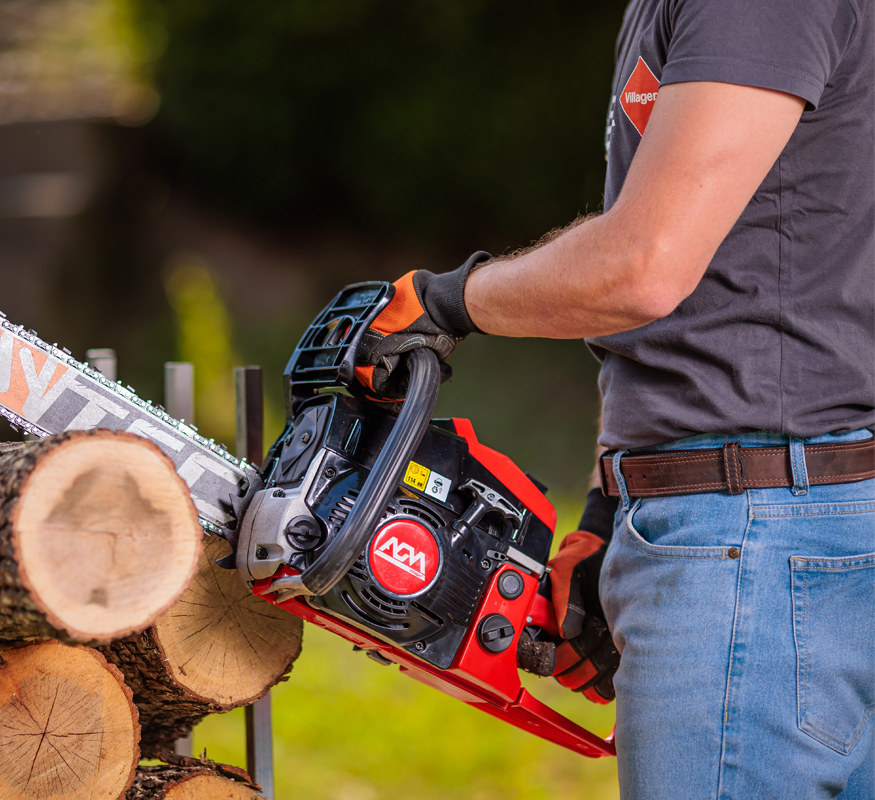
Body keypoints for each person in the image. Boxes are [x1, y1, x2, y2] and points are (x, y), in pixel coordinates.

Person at [352, 1, 873, 797]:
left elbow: (644, 264)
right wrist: (608, 508)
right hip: (782, 516)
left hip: (754, 542)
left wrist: (445, 302)